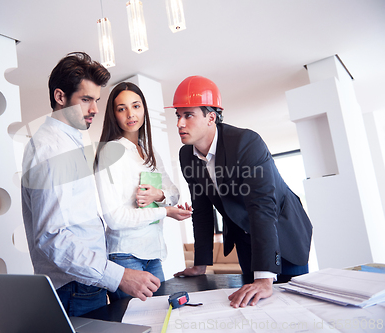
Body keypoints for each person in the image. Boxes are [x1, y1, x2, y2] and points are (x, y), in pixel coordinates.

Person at [21, 53, 160, 317]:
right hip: (75, 288)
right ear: (60, 97)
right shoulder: (52, 149)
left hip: (85, 283)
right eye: (85, 100)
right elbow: (52, 237)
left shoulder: (67, 142)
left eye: (96, 100)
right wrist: (118, 276)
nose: (95, 109)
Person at [170, 76, 313, 308]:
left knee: (296, 307)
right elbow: (202, 210)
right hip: (244, 236)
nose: (179, 124)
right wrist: (201, 263)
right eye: (178, 116)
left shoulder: (246, 143)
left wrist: (265, 278)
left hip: (283, 230)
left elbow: (262, 207)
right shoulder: (186, 155)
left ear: (211, 117)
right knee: (254, 306)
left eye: (188, 115)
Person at [94, 82, 192, 301]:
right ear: (114, 115)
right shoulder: (111, 151)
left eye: (136, 106)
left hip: (153, 254)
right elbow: (115, 219)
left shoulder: (148, 150)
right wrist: (165, 211)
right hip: (125, 256)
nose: (130, 114)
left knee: (161, 321)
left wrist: (159, 195)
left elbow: (174, 193)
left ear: (144, 109)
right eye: (122, 109)